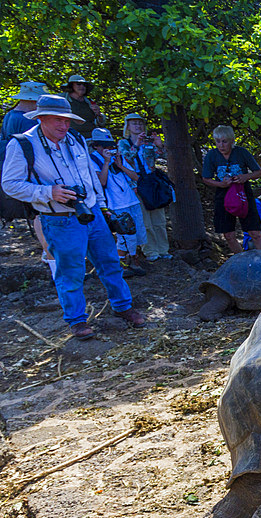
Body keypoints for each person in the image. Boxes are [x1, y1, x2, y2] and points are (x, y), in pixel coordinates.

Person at [2, 95, 144, 339]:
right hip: (59, 218)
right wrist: (48, 192)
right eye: (58, 120)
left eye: (67, 120)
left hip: (92, 212)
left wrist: (102, 206)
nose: (63, 125)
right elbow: (10, 184)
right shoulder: (23, 144)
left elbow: (89, 175)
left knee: (110, 262)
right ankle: (77, 320)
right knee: (70, 270)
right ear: (41, 118)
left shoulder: (76, 139)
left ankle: (123, 306)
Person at [1, 82, 52, 273]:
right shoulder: (25, 120)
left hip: (18, 170)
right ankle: (48, 253)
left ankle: (48, 253)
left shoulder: (10, 116)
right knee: (40, 211)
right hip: (30, 172)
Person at [89, 128, 147, 277]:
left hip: (131, 200)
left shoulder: (118, 158)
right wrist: (107, 163)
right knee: (124, 236)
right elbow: (101, 182)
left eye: (110, 146)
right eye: (104, 146)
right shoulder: (93, 160)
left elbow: (136, 177)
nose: (108, 149)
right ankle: (120, 263)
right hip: (115, 204)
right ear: (96, 146)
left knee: (137, 233)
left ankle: (133, 259)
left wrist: (120, 165)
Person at [201, 125, 261, 254]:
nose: (221, 145)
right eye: (218, 141)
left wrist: (245, 176)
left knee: (255, 232)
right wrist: (221, 184)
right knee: (229, 235)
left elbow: (259, 172)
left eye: (224, 141)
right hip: (223, 194)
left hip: (243, 193)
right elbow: (206, 178)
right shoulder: (212, 155)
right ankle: (241, 259)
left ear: (231, 141)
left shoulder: (241, 152)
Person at [119, 113, 171, 261]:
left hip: (153, 184)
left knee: (159, 219)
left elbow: (162, 156)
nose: (138, 126)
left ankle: (163, 249)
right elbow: (126, 158)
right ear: (128, 126)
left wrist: (159, 144)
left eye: (140, 123)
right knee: (144, 220)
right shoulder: (124, 143)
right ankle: (150, 251)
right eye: (134, 123)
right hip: (136, 185)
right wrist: (137, 145)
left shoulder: (149, 142)